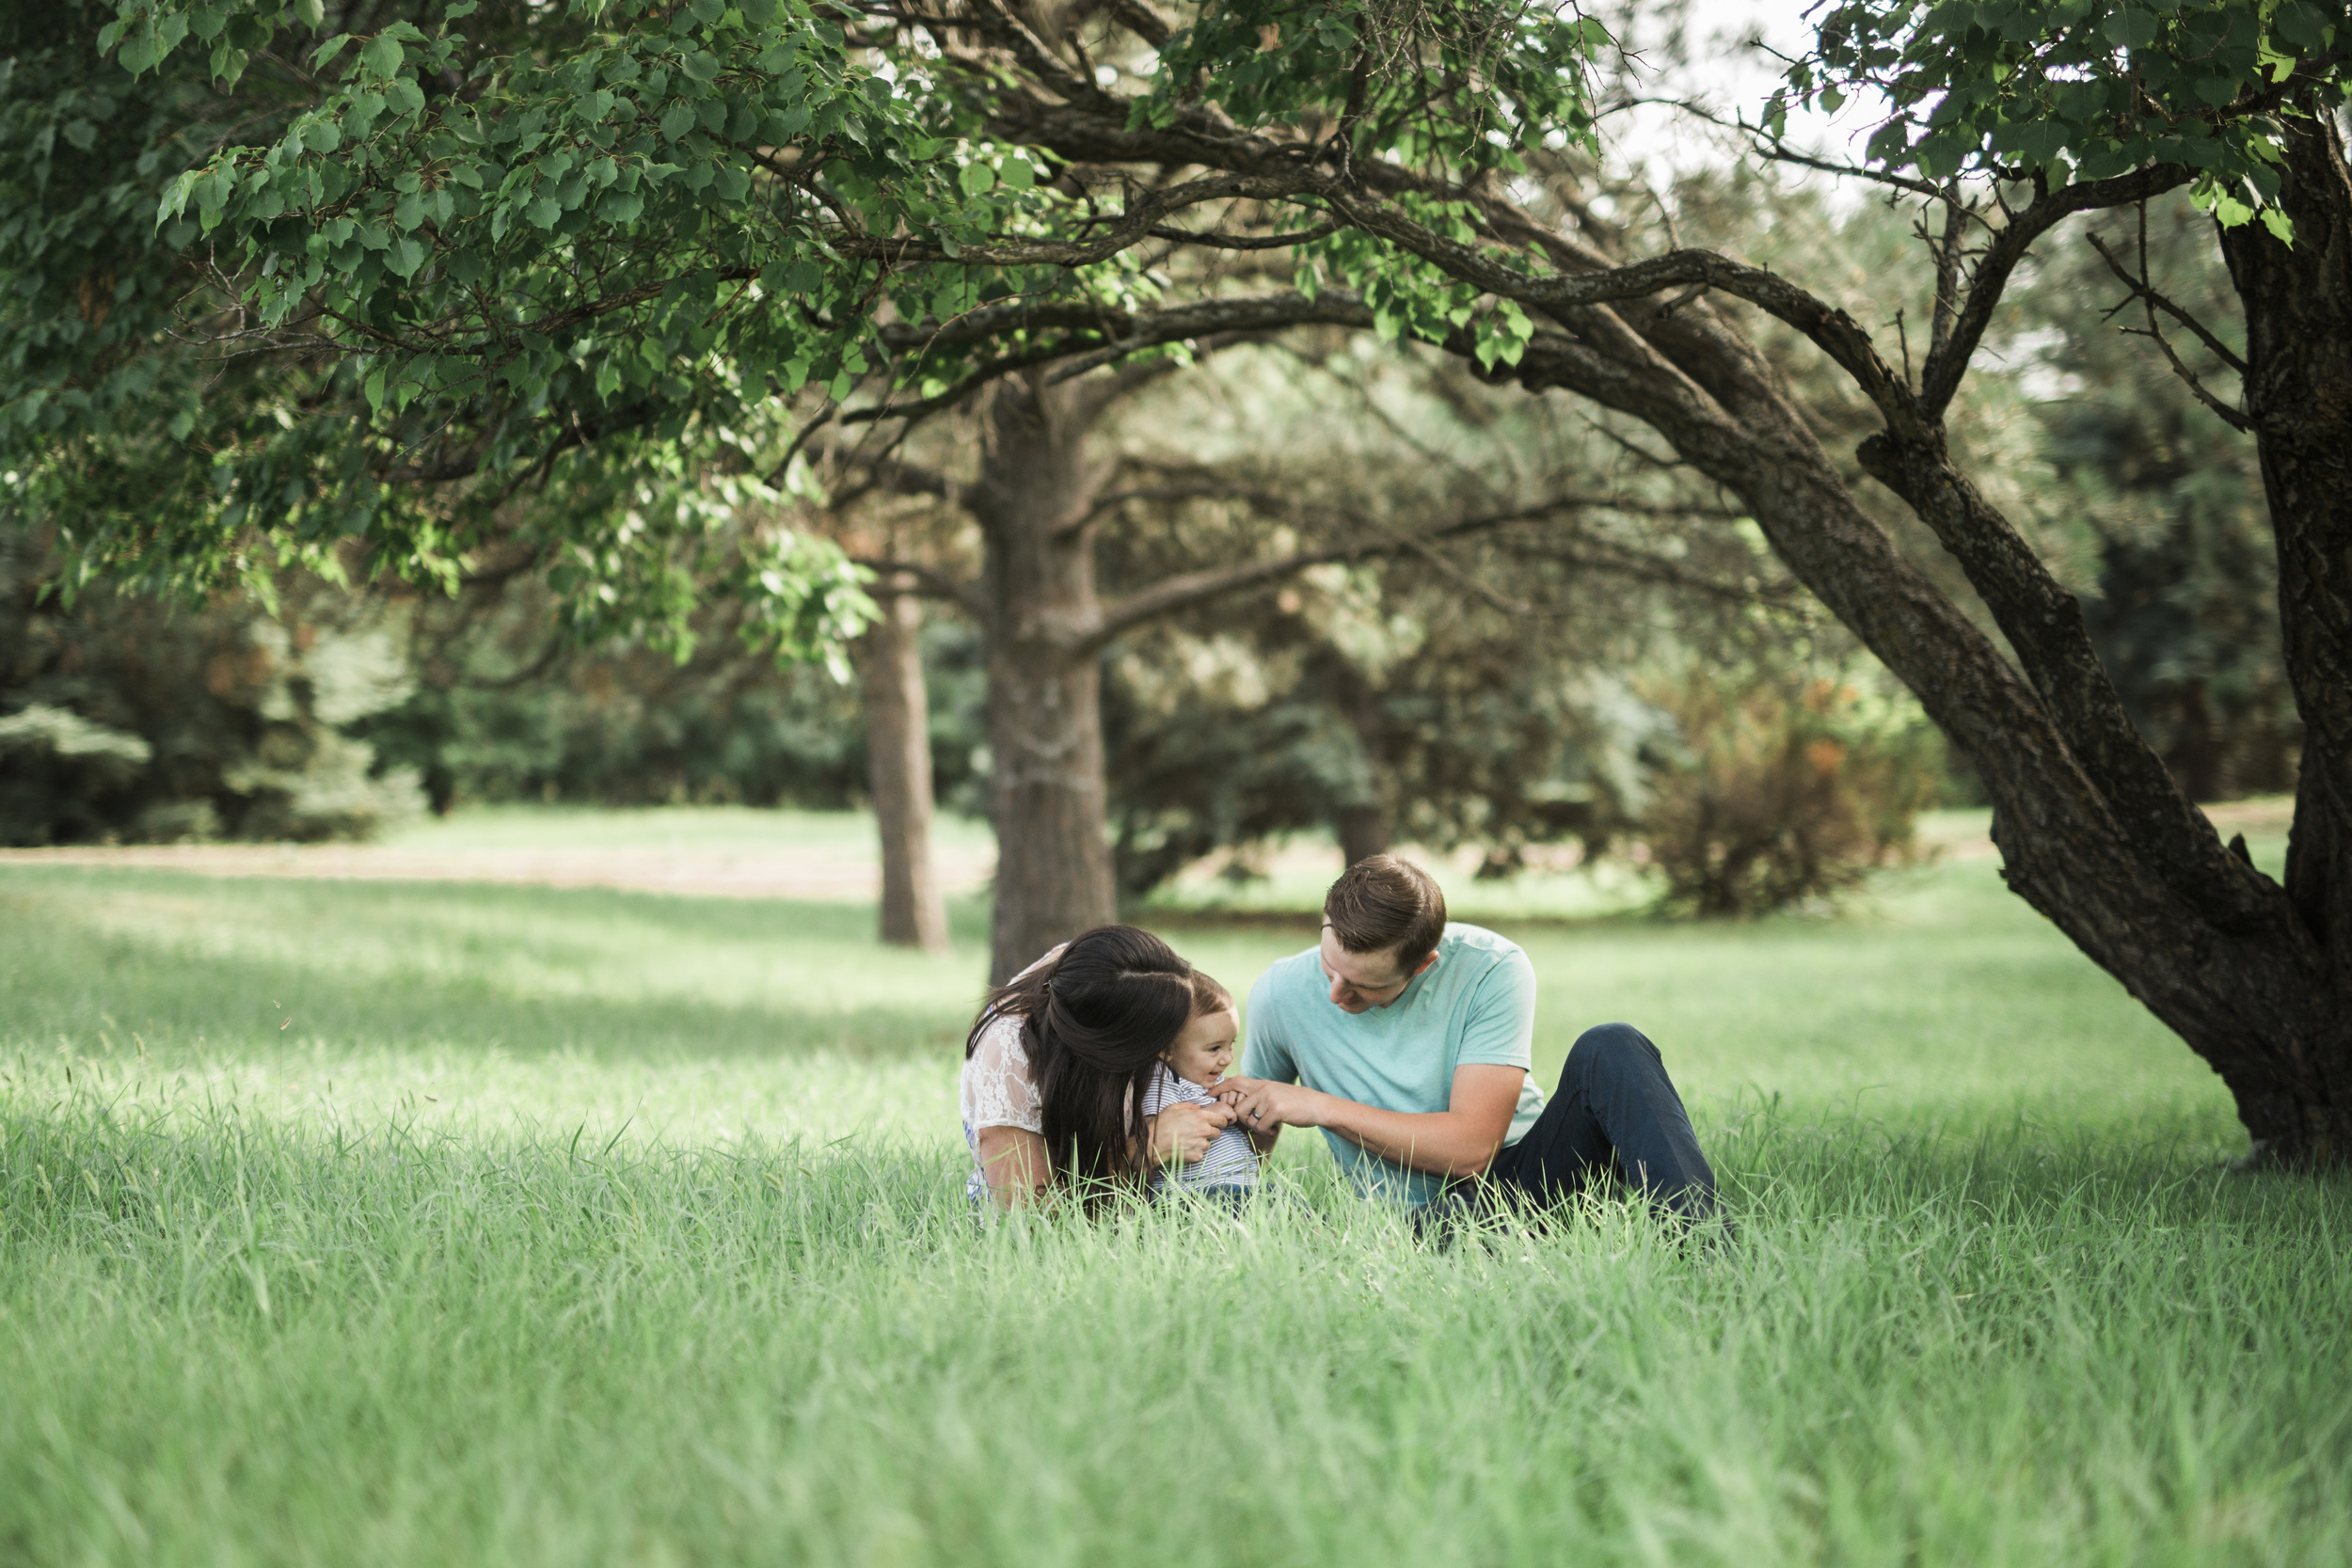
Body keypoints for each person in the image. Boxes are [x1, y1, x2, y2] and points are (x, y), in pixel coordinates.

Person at [1216, 855, 1720, 1223]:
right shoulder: (1279, 991)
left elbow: (1473, 1149)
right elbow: (1254, 1130)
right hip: (1411, 1221)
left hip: (1531, 1183)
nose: (1334, 994)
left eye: (1364, 987)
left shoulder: (1491, 967)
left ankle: (1704, 1246)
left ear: (1423, 965)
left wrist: (1319, 1106)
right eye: (1329, 967)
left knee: (1613, 1044)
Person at [960, 926, 1238, 1211]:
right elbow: (1029, 1215)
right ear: (1107, 1049)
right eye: (1155, 1045)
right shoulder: (1009, 1058)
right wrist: (1145, 1150)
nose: (1164, 1055)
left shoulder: (1117, 971)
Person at [1138, 971, 1262, 1204]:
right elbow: (1155, 1127)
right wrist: (1210, 1115)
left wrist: (1240, 1107)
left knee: (1285, 1199)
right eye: (1214, 1048)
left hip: (1236, 1189)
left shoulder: (1209, 1081)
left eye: (1230, 1045)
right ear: (1167, 1050)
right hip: (1192, 1196)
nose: (1226, 1059)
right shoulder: (1163, 1082)